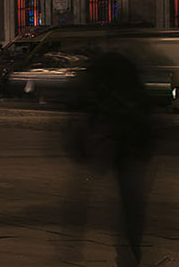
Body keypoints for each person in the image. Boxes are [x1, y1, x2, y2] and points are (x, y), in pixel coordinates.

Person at [64, 50, 154, 264]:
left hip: (112, 143)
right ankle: (131, 250)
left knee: (85, 198)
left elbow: (84, 110)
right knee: (132, 202)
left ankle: (75, 248)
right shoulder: (131, 81)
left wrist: (84, 147)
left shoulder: (99, 80)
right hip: (130, 145)